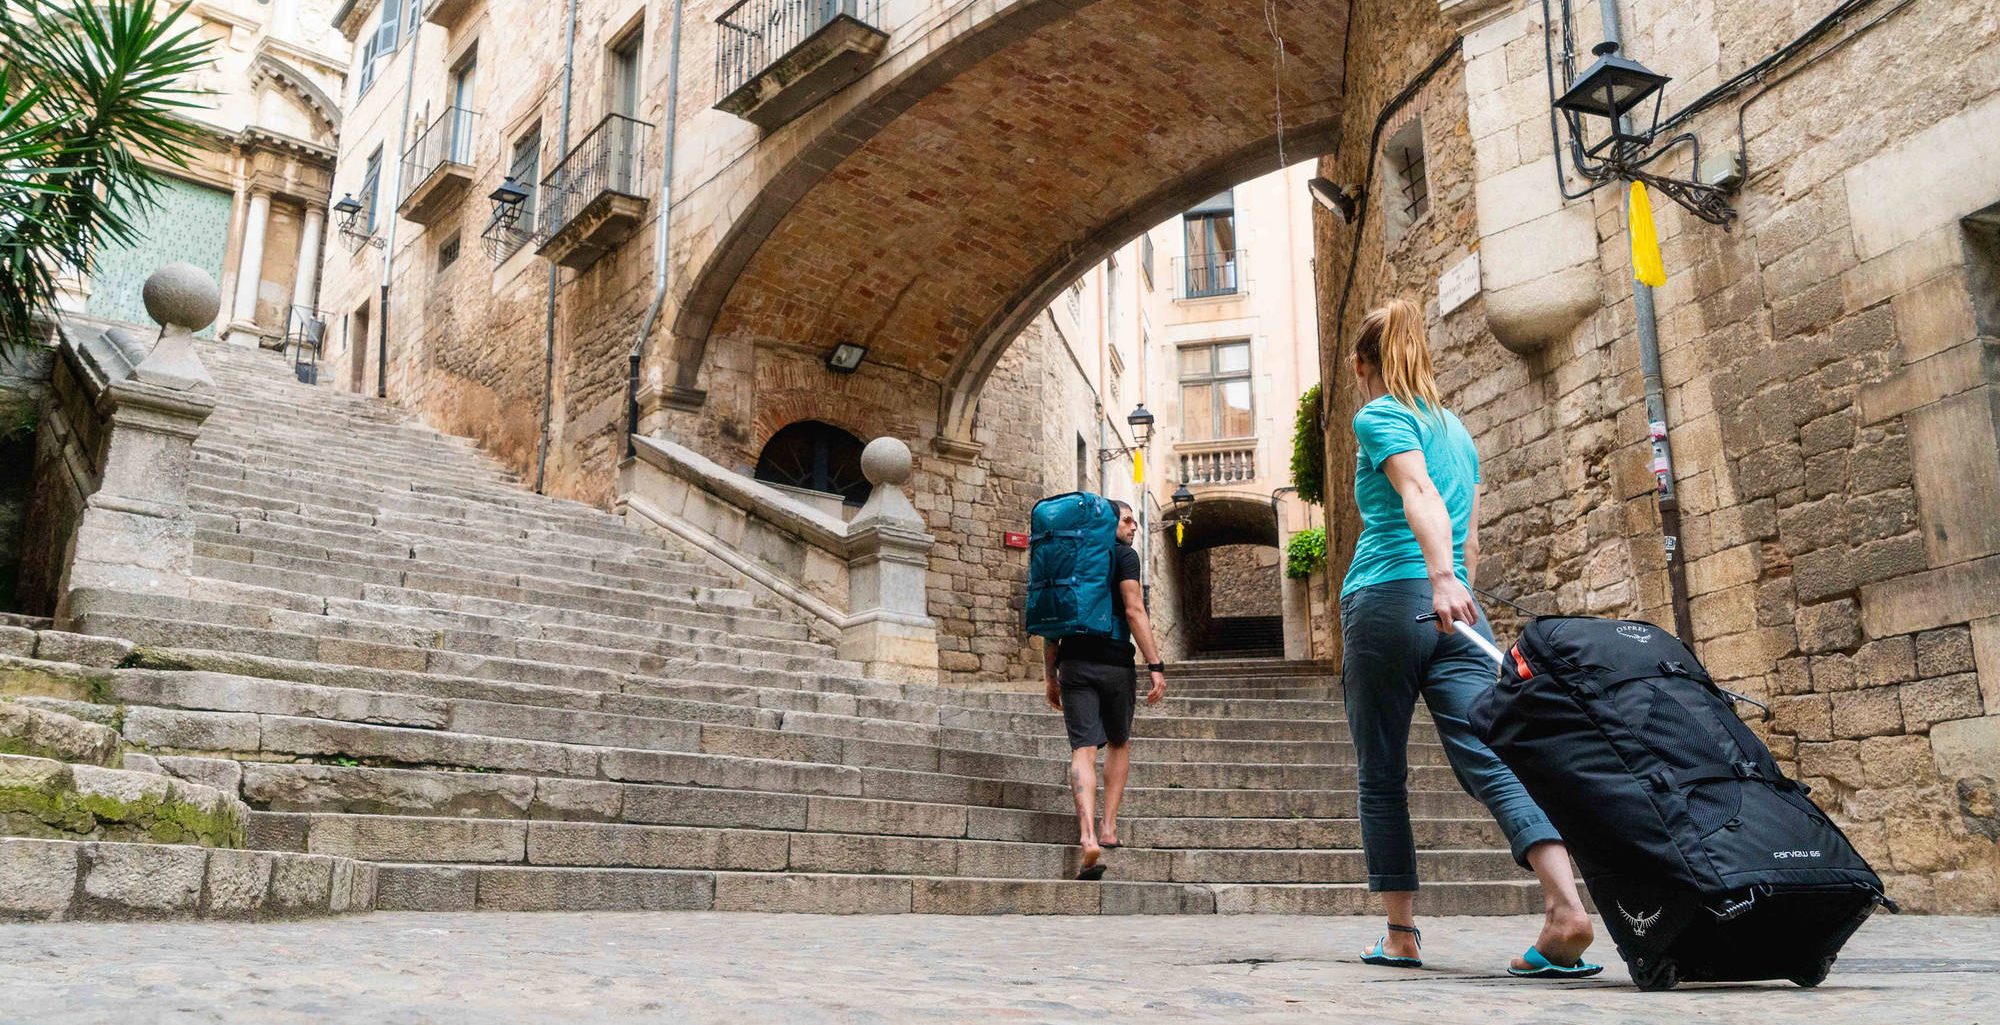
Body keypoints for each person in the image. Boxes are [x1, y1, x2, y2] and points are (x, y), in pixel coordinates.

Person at [1339, 298, 1600, 978]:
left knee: (1382, 776)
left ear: (1362, 364)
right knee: (1498, 756)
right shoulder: (1456, 428)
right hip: (1460, 612)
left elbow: (1416, 489)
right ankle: (1566, 907)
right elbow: (1471, 532)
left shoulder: (1379, 414)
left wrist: (1438, 575)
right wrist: (1459, 587)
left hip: (1391, 600)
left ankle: (1400, 934)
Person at [1043, 499, 1166, 880]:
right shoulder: (1124, 557)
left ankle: (1087, 836)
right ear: (1108, 523)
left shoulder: (1067, 556)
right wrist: (1155, 664)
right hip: (1115, 663)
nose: (1134, 527)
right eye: (1127, 520)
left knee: (1082, 750)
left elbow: (1052, 619)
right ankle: (1109, 827)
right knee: (1117, 742)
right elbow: (1133, 610)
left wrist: (1050, 675)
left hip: (1074, 663)